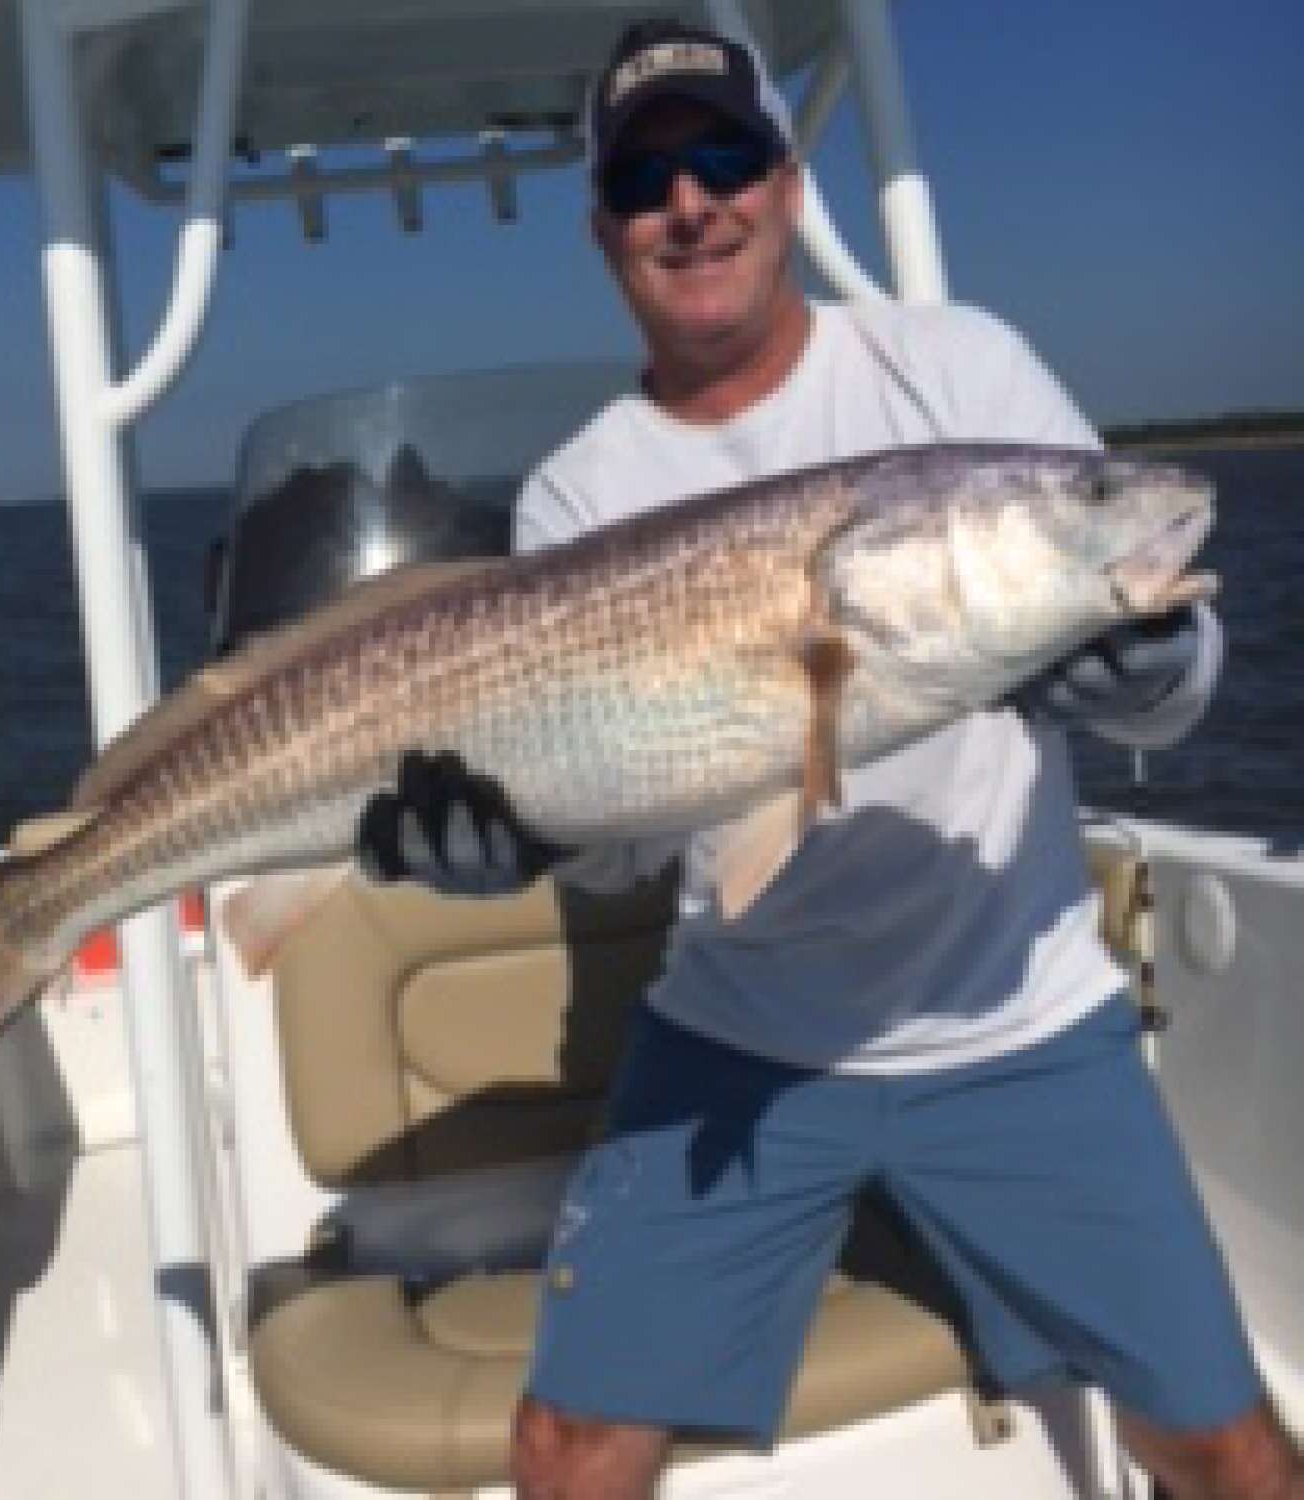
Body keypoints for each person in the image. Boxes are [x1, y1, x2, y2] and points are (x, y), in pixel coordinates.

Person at [359, 20, 1302, 1500]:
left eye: (725, 156)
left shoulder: (957, 367)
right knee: (565, 1448)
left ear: (789, 187)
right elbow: (626, 839)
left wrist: (1154, 663)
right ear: (606, 229)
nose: (694, 202)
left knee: (1224, 1440)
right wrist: (517, 844)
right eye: (649, 176)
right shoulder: (580, 490)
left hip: (1022, 1022)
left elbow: (1165, 667)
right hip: (741, 1033)